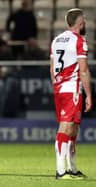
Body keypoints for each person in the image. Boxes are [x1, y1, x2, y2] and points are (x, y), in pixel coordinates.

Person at [50, 8, 92, 180]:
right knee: (67, 127)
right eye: (84, 21)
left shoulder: (56, 40)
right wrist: (89, 94)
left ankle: (73, 169)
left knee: (73, 128)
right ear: (80, 22)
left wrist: (57, 84)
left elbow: (52, 68)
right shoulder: (79, 41)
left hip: (60, 88)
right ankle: (61, 171)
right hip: (72, 87)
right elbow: (83, 71)